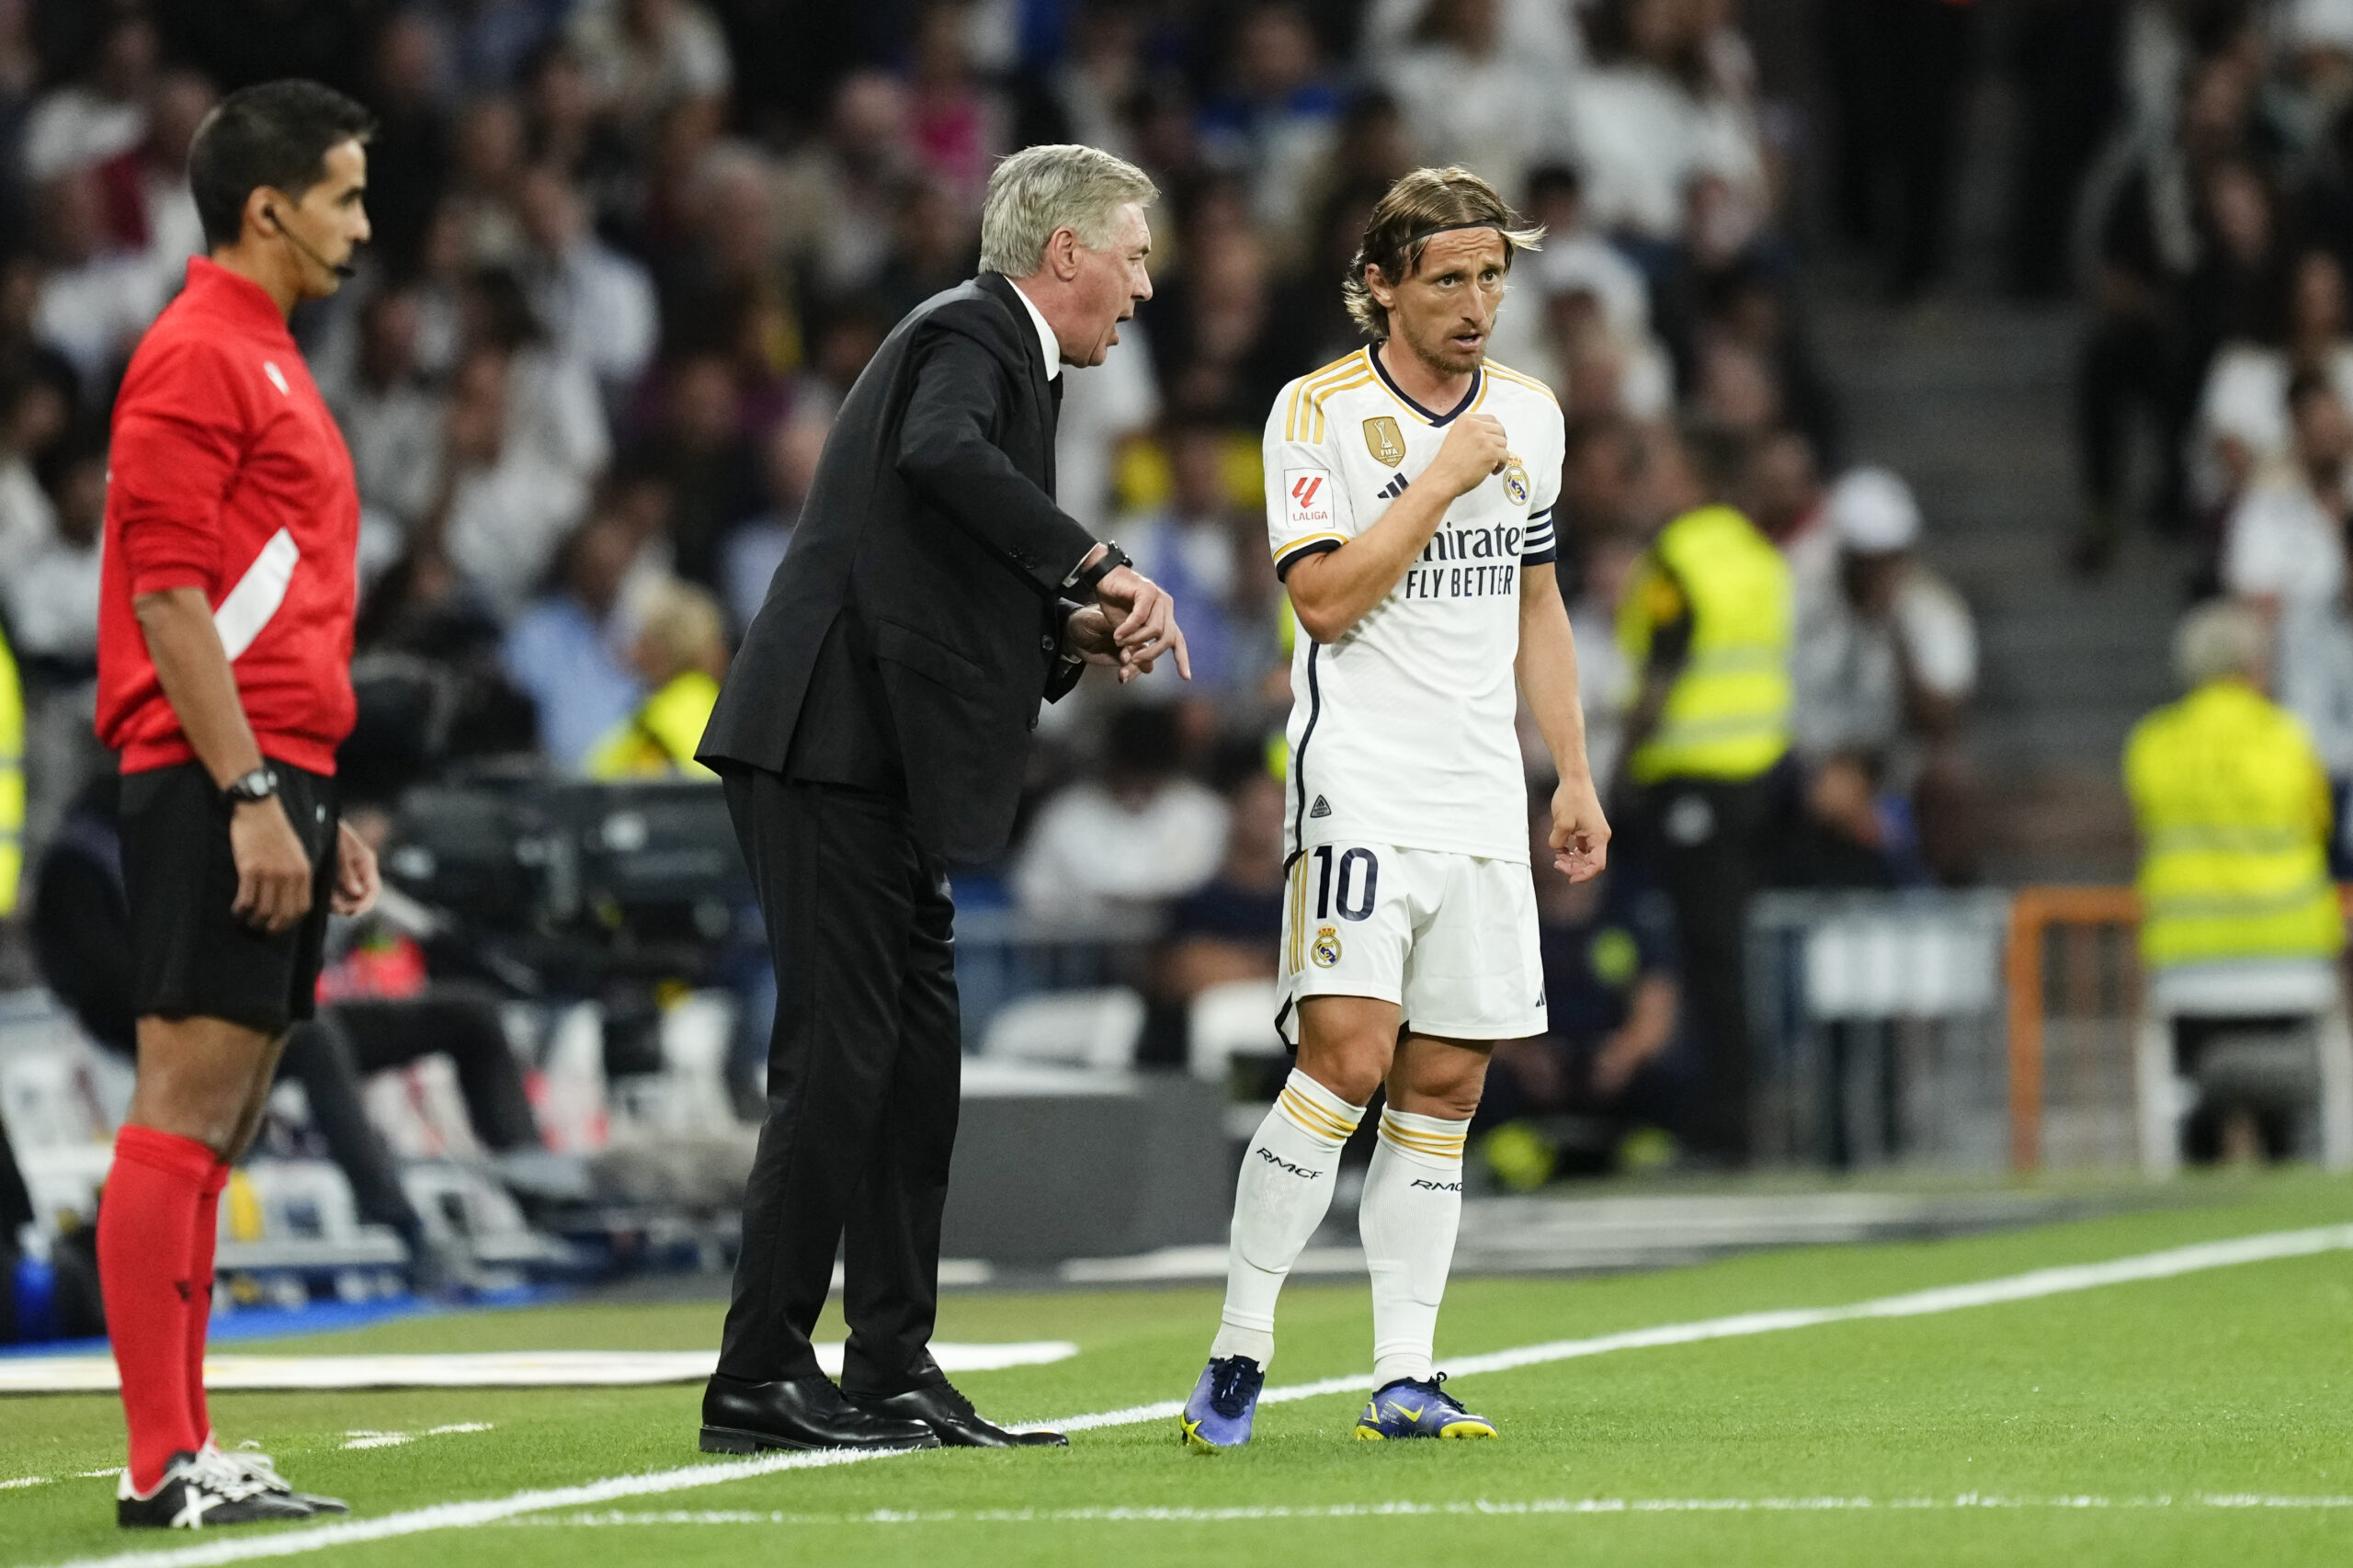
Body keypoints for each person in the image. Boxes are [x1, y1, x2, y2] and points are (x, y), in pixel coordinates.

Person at [692, 143, 1186, 1455]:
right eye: (1133, 257)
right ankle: (758, 1373)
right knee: (837, 1060)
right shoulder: (972, 330)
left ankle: (890, 1365)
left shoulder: (1001, 353)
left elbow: (931, 553)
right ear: (1065, 253)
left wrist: (1067, 627)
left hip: (879, 759)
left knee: (911, 1072)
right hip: (829, 744)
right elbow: (938, 453)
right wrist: (1095, 561)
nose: (1144, 288)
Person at [1178, 166, 1609, 1452]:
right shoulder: (1315, 411)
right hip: (1359, 780)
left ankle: (1404, 1374)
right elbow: (1321, 601)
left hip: (1479, 793)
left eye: (1493, 277)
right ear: (1381, 284)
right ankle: (1239, 1349)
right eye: (1449, 279)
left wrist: (1571, 769)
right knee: (1346, 1057)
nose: (1478, 304)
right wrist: (1438, 473)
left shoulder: (1530, 413)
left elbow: (1536, 601)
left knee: (1447, 1083)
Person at [90, 80, 381, 1528]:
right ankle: (161, 1462)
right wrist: (255, 790)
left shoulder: (261, 353)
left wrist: (314, 796)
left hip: (269, 769)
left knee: (227, 1114)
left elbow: (275, 611)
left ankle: (187, 1444)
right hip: (215, 776)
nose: (364, 226)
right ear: (267, 208)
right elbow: (167, 596)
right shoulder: (199, 353)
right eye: (344, 197)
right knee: (186, 1102)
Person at [1614, 425, 1793, 1165]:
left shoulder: (1676, 560)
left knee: (1703, 954)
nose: (1644, 483)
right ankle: (1737, 1115)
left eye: (1657, 468)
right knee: (1729, 954)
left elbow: (1662, 673)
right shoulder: (1758, 555)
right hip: (1761, 774)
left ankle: (1721, 1127)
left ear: (1690, 474)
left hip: (1693, 777)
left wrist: (1616, 771)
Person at [2126, 602, 2344, 1160]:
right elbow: (2318, 824)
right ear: (2254, 666)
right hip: (2289, 951)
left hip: (2188, 958)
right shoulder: (2289, 738)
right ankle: (2287, 1146)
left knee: (2193, 1072)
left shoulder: (2154, 742)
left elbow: (2145, 826)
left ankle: (2199, 1145)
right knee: (2291, 1083)